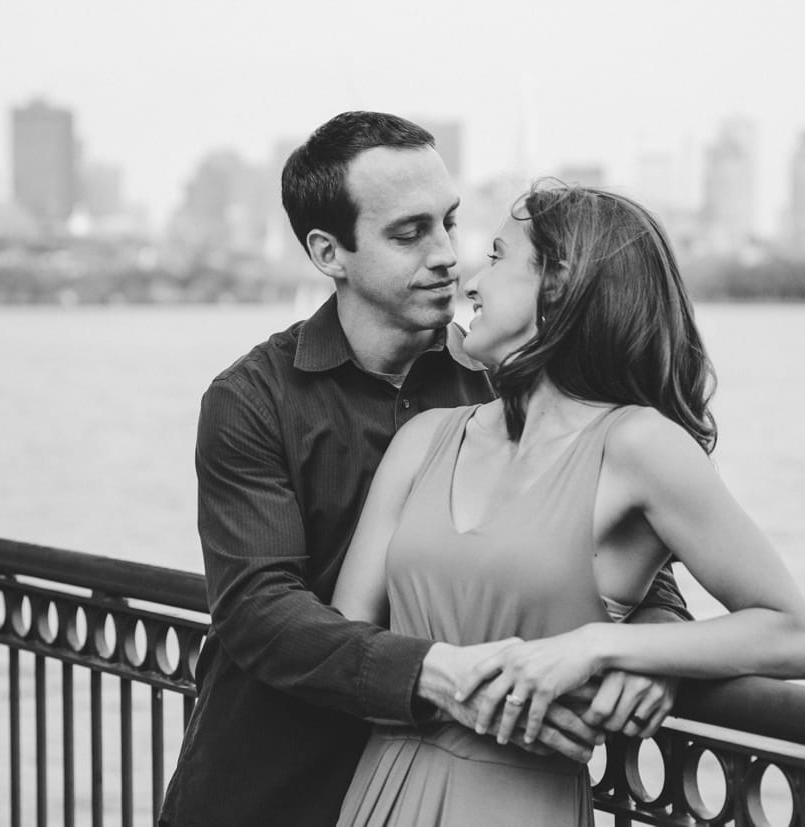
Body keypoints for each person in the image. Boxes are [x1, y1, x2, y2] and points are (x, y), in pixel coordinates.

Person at [158, 113, 692, 826]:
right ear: (328, 251)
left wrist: (650, 648)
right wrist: (438, 672)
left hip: (460, 790)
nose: (447, 254)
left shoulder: (505, 376)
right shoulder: (250, 400)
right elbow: (259, 608)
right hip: (271, 786)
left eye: (449, 222)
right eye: (409, 233)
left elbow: (632, 552)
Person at [331, 182, 805, 825]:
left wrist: (609, 648)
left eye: (498, 257)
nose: (470, 283)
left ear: (559, 284)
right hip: (380, 794)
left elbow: (796, 634)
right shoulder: (423, 439)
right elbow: (347, 652)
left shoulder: (639, 446)